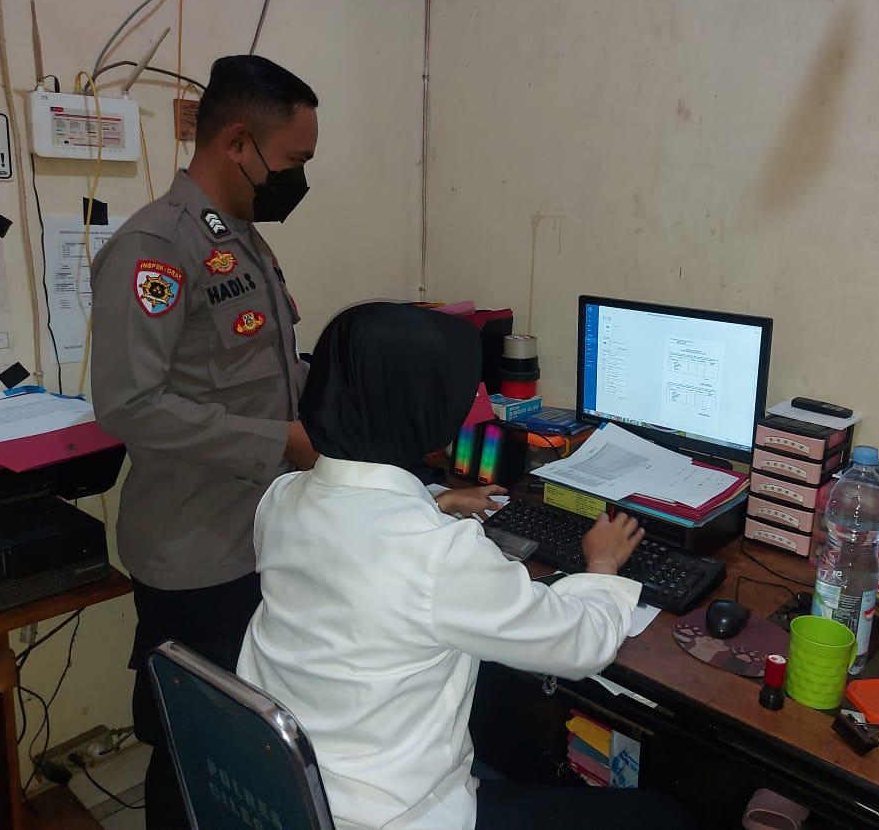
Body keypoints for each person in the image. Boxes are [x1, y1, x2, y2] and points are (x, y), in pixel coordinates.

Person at [236, 302, 698, 829]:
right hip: (391, 816)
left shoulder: (283, 498)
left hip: (295, 790)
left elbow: (357, 550)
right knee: (663, 817)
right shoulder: (438, 554)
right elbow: (580, 645)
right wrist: (603, 564)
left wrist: (430, 505)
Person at [90, 55, 323, 828]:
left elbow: (264, 372)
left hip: (258, 537)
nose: (299, 179)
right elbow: (130, 405)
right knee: (194, 752)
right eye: (292, 160)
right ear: (237, 143)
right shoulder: (154, 248)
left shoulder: (245, 241)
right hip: (194, 554)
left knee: (250, 753)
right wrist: (279, 440)